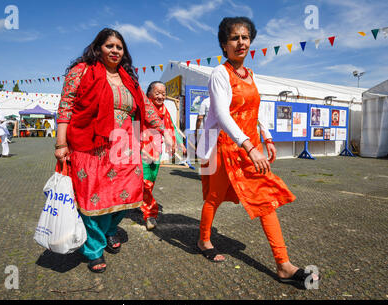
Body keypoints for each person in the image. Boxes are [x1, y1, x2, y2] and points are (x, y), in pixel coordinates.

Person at [196, 17, 320, 288]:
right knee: (214, 197)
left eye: (245, 37)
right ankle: (204, 239)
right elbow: (221, 114)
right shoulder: (220, 73)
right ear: (224, 45)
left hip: (248, 147)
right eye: (234, 38)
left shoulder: (250, 74)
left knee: (265, 199)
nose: (240, 42)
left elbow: (257, 110)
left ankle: (283, 264)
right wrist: (250, 147)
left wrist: (268, 138)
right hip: (223, 147)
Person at [55, 28, 166, 273]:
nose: (115, 50)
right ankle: (94, 249)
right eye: (109, 46)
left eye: (119, 47)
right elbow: (65, 106)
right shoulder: (82, 71)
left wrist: (166, 130)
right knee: (93, 199)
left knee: (129, 195)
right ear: (99, 47)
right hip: (90, 144)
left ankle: (108, 230)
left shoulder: (129, 78)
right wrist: (61, 144)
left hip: (125, 145)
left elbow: (145, 108)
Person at [140, 81, 185, 231]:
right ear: (149, 94)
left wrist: (180, 144)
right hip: (141, 151)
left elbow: (171, 127)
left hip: (156, 153)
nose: (161, 96)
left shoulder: (165, 110)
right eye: (157, 93)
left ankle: (142, 205)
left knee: (149, 184)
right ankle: (150, 213)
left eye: (163, 93)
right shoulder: (143, 108)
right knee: (144, 184)